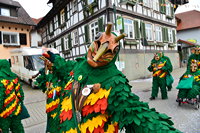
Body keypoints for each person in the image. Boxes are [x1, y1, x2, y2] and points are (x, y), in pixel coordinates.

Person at [43, 23, 181, 132]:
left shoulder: (115, 82)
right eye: (97, 43)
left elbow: (134, 113)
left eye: (108, 51)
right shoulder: (79, 66)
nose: (98, 53)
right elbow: (64, 67)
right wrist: (54, 58)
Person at [0, 59, 25, 133]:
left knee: (4, 130)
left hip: (3, 114)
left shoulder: (1, 79)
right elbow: (21, 95)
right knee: (18, 129)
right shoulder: (14, 77)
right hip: (15, 111)